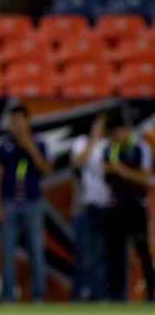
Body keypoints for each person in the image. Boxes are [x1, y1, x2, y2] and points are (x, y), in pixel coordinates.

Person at [0, 105, 53, 302]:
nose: (16, 125)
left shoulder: (40, 143)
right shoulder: (2, 144)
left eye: (19, 120)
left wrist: (30, 148)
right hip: (9, 203)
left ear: (27, 122)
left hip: (33, 203)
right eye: (13, 121)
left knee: (36, 250)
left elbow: (47, 170)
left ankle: (37, 295)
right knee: (7, 252)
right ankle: (8, 295)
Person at [103, 113, 154, 301]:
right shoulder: (110, 149)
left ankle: (151, 293)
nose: (115, 138)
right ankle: (115, 296)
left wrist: (121, 171)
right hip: (116, 205)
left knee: (142, 250)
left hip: (136, 205)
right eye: (112, 135)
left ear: (125, 130)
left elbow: (145, 178)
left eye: (117, 133)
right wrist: (109, 171)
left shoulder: (141, 148)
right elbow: (106, 177)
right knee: (115, 253)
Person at [70, 113, 109, 301]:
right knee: (83, 255)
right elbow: (78, 162)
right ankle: (80, 295)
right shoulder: (82, 142)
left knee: (101, 254)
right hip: (84, 205)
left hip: (105, 205)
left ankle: (100, 295)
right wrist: (93, 140)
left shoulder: (110, 145)